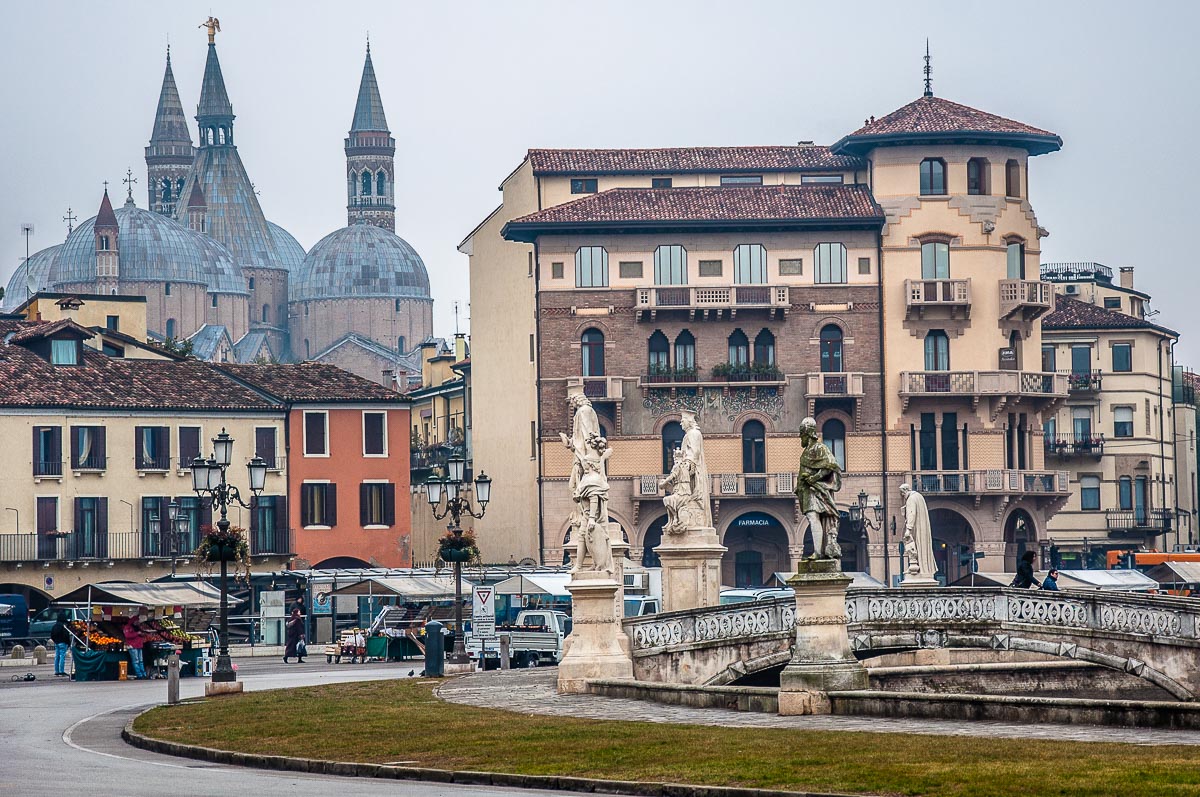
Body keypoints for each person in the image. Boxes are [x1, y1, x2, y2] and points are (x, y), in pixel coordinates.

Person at [50, 612, 72, 677]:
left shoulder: (55, 626)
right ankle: (61, 671)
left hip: (57, 642)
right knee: (62, 656)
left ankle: (57, 671)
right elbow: (66, 635)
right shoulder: (63, 626)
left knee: (57, 657)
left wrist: (55, 641)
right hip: (63, 642)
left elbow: (52, 635)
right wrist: (68, 643)